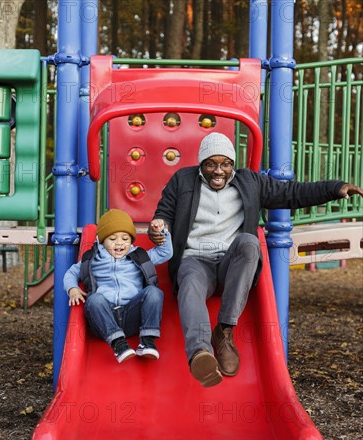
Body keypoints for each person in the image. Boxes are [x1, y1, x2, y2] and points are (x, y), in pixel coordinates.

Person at [148, 132, 363, 388]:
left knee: (249, 243)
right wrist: (158, 227)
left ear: (233, 165)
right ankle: (199, 353)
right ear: (201, 165)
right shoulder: (182, 180)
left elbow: (292, 193)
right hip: (196, 260)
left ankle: (224, 333)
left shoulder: (250, 181)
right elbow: (164, 214)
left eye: (225, 164)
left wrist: (335, 188)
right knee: (190, 280)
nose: (218, 171)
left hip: (232, 263)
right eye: (211, 164)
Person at [64, 209, 173, 363]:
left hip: (133, 316)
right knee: (94, 300)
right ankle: (119, 344)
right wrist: (72, 289)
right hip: (104, 318)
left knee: (154, 292)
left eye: (125, 238)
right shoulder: (93, 259)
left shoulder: (138, 256)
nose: (120, 243)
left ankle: (147, 341)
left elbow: (165, 253)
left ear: (131, 240)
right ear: (101, 241)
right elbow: (71, 273)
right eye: (113, 239)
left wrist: (162, 233)